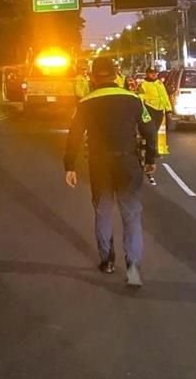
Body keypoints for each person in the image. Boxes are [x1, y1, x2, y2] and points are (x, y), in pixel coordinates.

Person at [62, 57, 157, 287]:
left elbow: (74, 136)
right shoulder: (133, 99)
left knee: (103, 212)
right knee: (131, 215)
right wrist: (150, 159)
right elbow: (150, 130)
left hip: (99, 165)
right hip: (128, 164)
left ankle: (107, 262)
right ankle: (133, 268)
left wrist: (70, 166)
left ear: (93, 77)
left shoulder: (86, 103)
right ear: (116, 75)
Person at [137, 66, 172, 142]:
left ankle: (152, 148)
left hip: (160, 111)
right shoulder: (143, 84)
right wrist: (142, 111)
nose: (154, 74)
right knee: (151, 132)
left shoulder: (159, 83)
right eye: (151, 73)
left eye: (155, 73)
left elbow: (165, 97)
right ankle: (151, 151)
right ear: (147, 74)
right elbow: (140, 98)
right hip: (150, 110)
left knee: (155, 131)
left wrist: (168, 110)